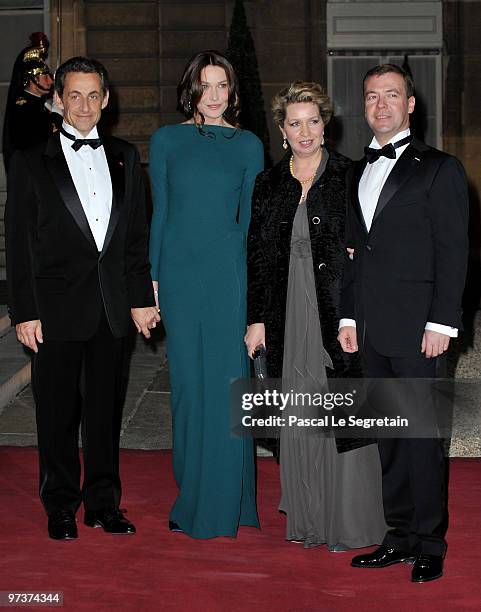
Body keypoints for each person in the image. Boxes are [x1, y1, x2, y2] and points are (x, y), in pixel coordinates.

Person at [5, 56, 160, 540]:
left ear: (106, 100)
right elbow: (20, 242)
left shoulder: (125, 156)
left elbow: (136, 236)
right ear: (58, 100)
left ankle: (102, 504)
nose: (85, 105)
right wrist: (24, 310)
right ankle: (59, 505)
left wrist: (139, 298)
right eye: (75, 95)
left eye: (94, 95)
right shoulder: (31, 161)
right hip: (53, 309)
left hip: (112, 309)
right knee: (55, 413)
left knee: (104, 414)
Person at [338, 64, 469, 582]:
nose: (382, 105)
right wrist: (349, 315)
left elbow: (453, 253)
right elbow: (353, 255)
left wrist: (443, 322)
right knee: (388, 436)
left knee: (422, 438)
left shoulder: (440, 168)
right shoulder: (355, 170)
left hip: (420, 330)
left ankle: (430, 542)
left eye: (392, 95)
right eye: (372, 97)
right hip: (371, 328)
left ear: (411, 104)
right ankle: (398, 535)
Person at [245, 82, 387, 550]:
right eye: (294, 123)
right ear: (281, 131)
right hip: (286, 311)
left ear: (325, 125)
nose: (304, 131)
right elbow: (258, 257)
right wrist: (256, 319)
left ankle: (349, 520)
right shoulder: (267, 184)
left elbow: (375, 242)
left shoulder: (352, 174)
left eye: (312, 121)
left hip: (338, 313)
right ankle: (306, 514)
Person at [149, 50, 263, 538]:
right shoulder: (166, 140)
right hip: (178, 276)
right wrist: (152, 279)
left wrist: (255, 292)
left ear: (232, 93)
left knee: (226, 385)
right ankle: (190, 494)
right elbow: (161, 213)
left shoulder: (249, 145)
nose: (214, 96)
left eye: (222, 87)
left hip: (228, 276)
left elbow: (252, 225)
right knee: (189, 391)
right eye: (205, 86)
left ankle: (226, 503)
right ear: (190, 89)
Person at [2, 33, 60, 172]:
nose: (51, 81)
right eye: (45, 76)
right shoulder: (23, 109)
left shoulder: (39, 105)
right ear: (32, 80)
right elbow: (38, 141)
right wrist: (56, 115)